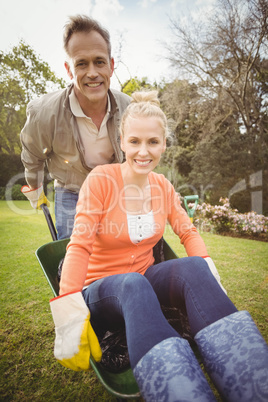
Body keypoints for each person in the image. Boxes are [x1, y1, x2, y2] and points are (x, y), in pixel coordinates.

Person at [50, 91, 268, 401]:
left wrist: (209, 278)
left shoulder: (163, 186)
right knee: (133, 284)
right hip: (101, 290)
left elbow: (188, 232)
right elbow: (80, 245)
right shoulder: (101, 181)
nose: (143, 151)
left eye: (153, 142)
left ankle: (255, 390)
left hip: (142, 280)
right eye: (135, 141)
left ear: (163, 144)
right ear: (122, 142)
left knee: (193, 267)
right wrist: (69, 312)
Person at [20, 15, 130, 239]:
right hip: (71, 191)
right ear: (69, 70)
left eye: (99, 61)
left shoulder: (130, 108)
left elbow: (142, 152)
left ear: (111, 65)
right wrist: (35, 188)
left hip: (115, 190)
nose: (92, 73)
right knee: (73, 255)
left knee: (120, 251)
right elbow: (32, 156)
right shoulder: (44, 114)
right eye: (81, 63)